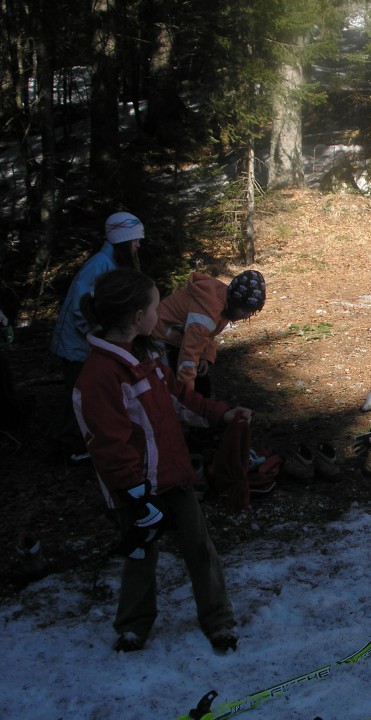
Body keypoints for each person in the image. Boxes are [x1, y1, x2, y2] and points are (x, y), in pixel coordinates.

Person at [73, 268, 251, 654]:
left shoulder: (147, 357)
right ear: (139, 317)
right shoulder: (101, 375)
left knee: (200, 547)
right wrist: (135, 495)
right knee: (140, 553)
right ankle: (134, 625)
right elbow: (109, 443)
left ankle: (218, 618)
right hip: (136, 490)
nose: (163, 311)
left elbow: (179, 398)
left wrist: (221, 413)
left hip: (173, 475)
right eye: (156, 306)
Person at [50, 211, 144, 460]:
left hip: (87, 343)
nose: (138, 245)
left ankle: (78, 441)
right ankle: (66, 445)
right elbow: (82, 308)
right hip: (77, 345)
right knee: (78, 395)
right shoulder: (100, 265)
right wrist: (98, 337)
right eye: (135, 240)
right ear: (123, 240)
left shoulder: (110, 263)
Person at [152, 270, 265, 395]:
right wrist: (187, 395)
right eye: (244, 310)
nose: (246, 315)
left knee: (202, 386)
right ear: (234, 301)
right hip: (161, 337)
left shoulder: (223, 299)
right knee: (171, 385)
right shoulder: (208, 309)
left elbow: (208, 334)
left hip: (181, 336)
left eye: (251, 312)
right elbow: (189, 354)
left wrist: (206, 355)